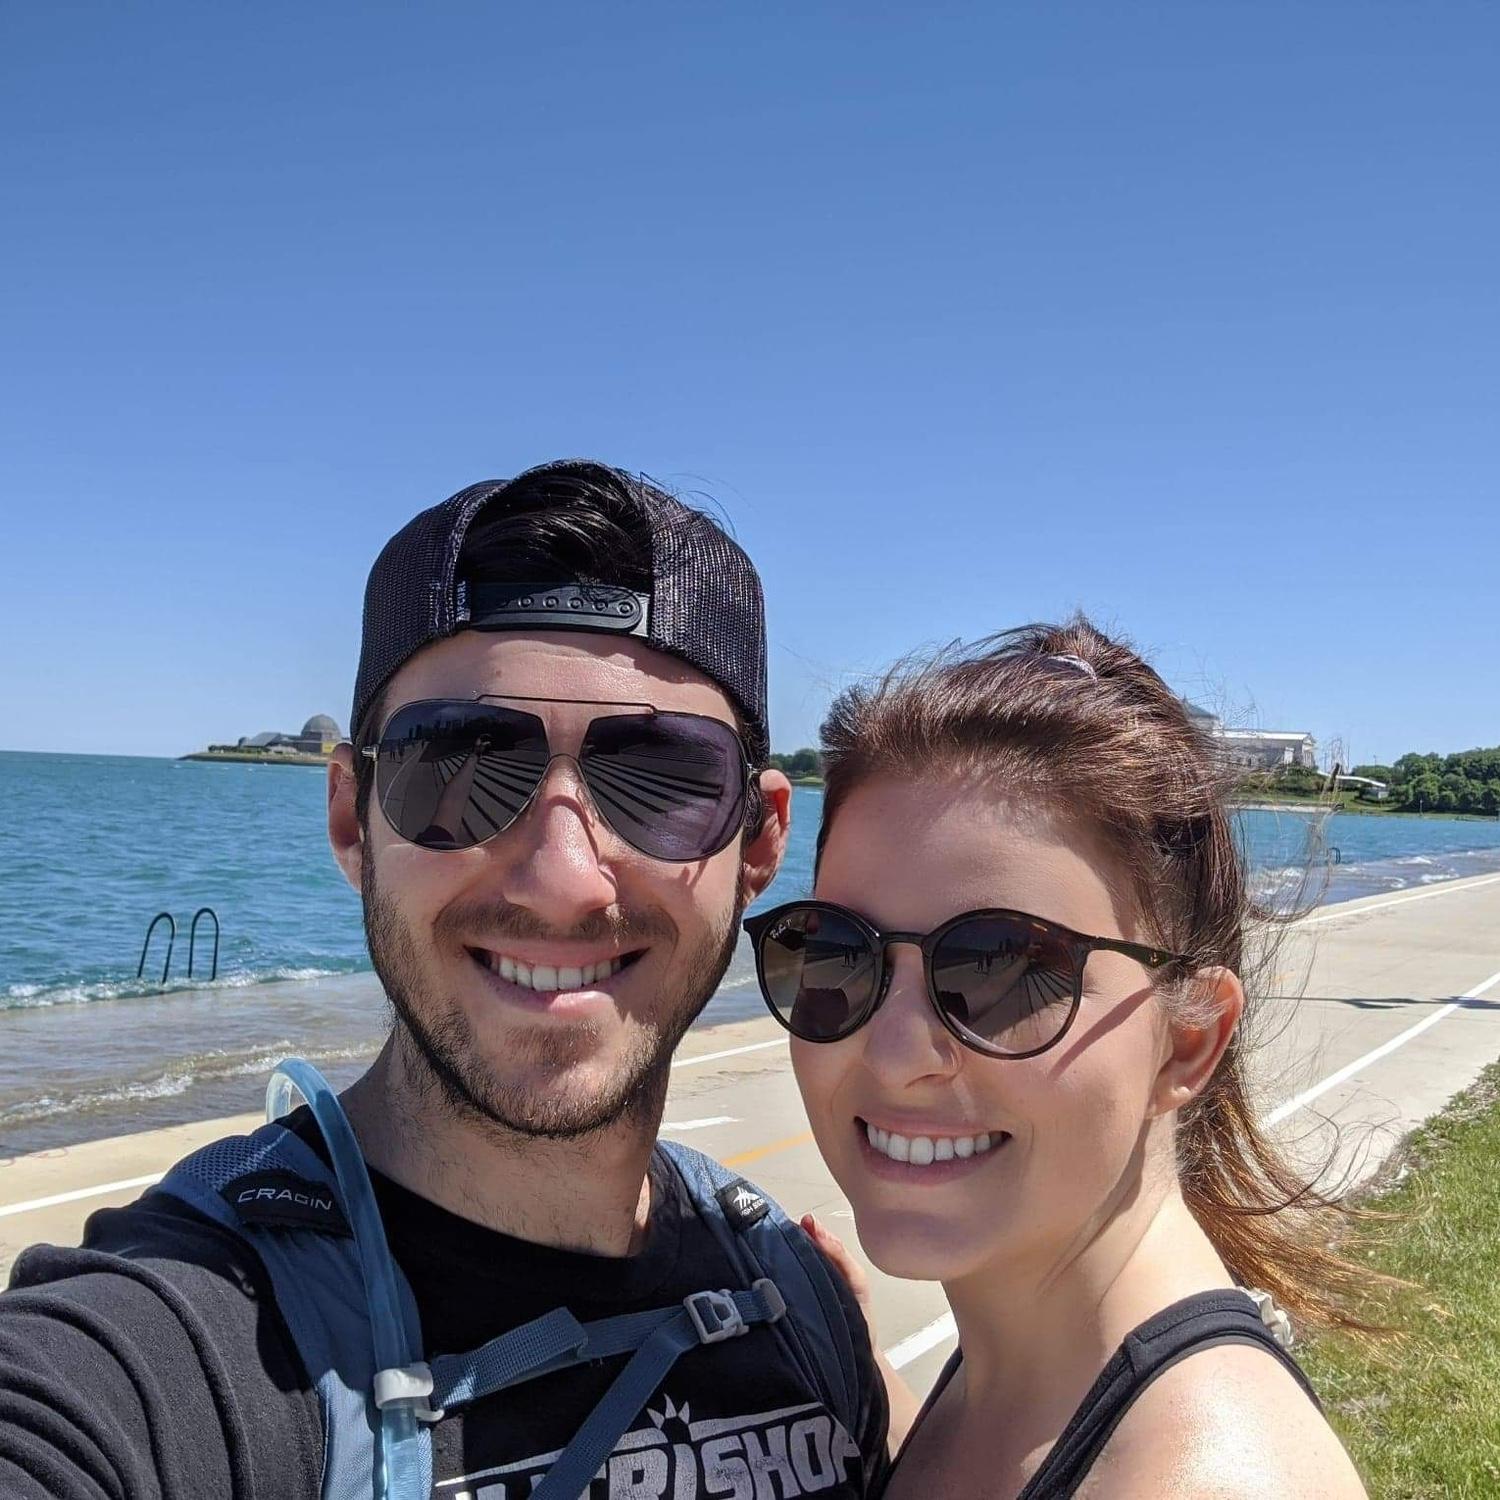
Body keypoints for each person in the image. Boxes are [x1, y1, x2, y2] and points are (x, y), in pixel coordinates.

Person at [0, 461, 889, 1498]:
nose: (564, 881)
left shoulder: (796, 1304)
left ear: (762, 839)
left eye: (659, 777)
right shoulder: (160, 1351)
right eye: (461, 765)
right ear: (352, 819)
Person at [744, 620, 1370, 1498]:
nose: (892, 1055)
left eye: (1002, 969)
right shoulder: (1027, 1368)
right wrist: (865, 1374)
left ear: (1187, 1041)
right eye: (836, 952)